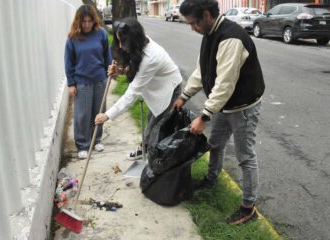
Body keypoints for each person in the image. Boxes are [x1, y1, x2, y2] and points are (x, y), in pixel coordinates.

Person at [173, 0, 265, 225]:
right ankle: (211, 179)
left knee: (245, 157)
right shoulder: (209, 33)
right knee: (215, 143)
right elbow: (201, 70)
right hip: (225, 105)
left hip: (243, 107)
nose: (192, 28)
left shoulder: (231, 38)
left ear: (206, 15)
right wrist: (185, 95)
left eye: (193, 23)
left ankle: (248, 207)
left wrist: (204, 116)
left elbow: (225, 84)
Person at [94, 18, 182, 159]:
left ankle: (154, 162)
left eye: (124, 42)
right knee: (150, 120)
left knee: (155, 127)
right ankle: (146, 149)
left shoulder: (151, 57)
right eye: (119, 41)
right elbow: (136, 65)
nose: (121, 46)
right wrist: (121, 71)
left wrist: (107, 115)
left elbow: (132, 93)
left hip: (168, 89)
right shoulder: (140, 44)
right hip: (156, 85)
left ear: (134, 40)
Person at [64, 4, 112, 159]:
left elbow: (107, 55)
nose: (86, 24)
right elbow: (68, 62)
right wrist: (71, 83)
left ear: (94, 20)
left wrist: (109, 72)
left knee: (98, 112)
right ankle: (83, 145)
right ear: (79, 21)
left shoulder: (101, 34)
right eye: (83, 21)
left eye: (89, 21)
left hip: (99, 79)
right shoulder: (73, 38)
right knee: (82, 115)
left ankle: (96, 140)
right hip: (82, 82)